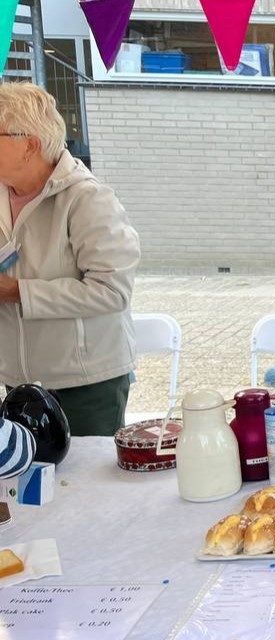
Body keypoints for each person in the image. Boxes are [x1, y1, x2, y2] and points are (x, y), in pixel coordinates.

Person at [0, 82, 141, 437]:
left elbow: (112, 291)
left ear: (29, 144)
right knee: (28, 473)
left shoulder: (88, 199)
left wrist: (17, 291)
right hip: (17, 381)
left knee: (86, 473)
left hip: (85, 384)